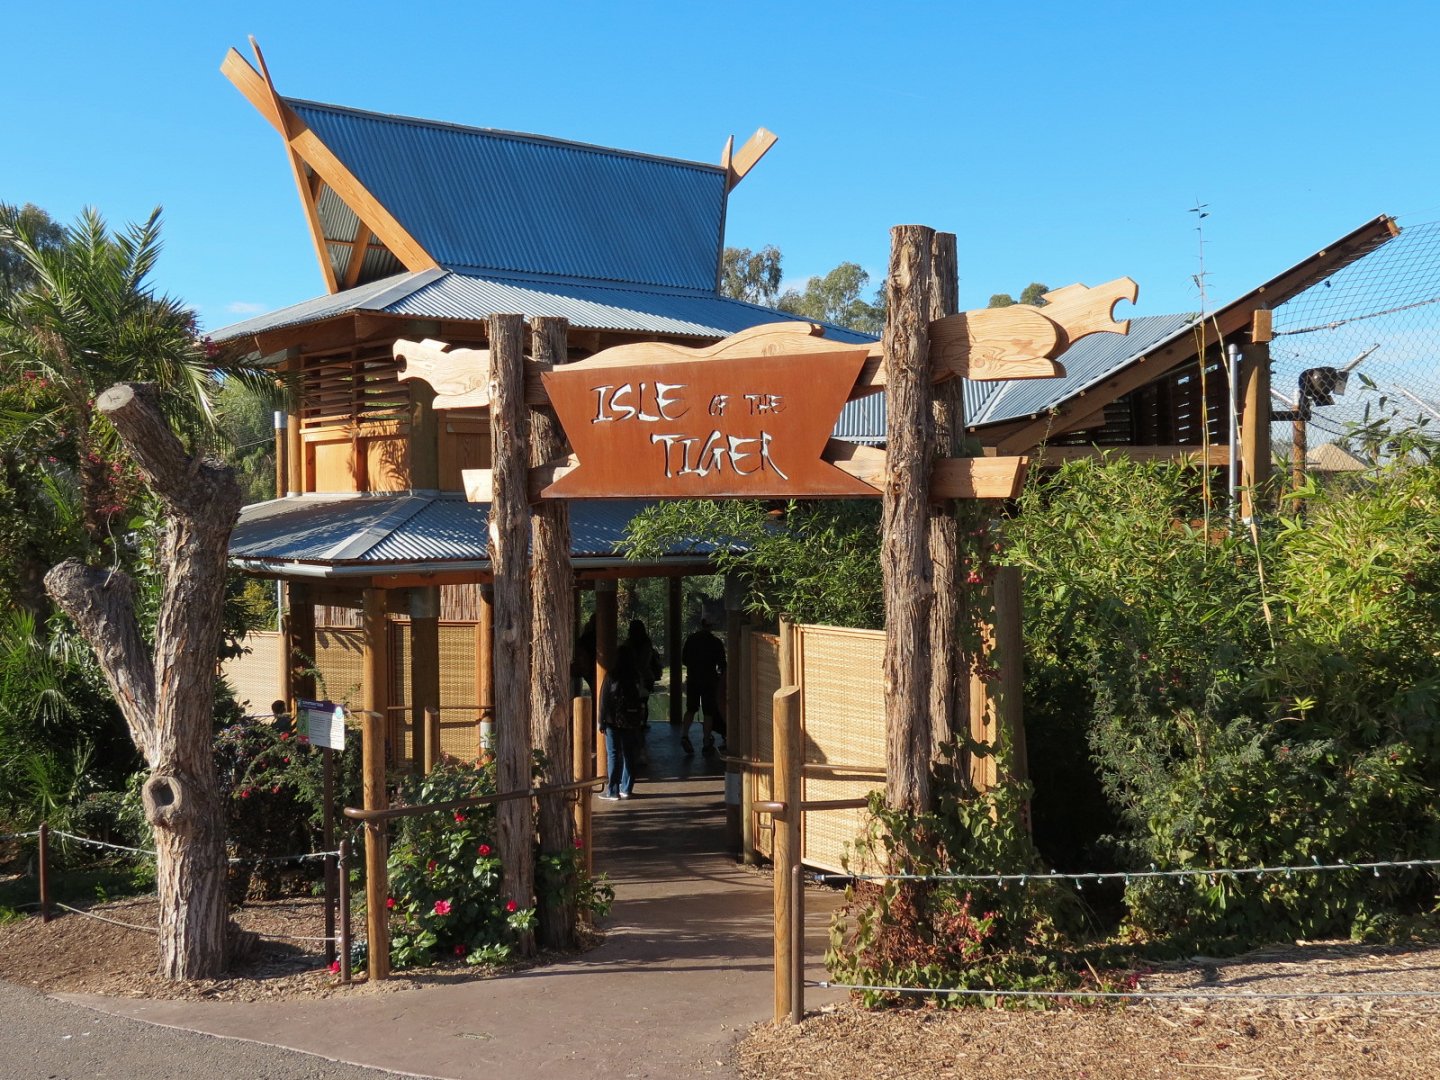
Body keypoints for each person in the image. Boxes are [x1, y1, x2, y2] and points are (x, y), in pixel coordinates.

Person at [597, 649, 649, 801]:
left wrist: (601, 720)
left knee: (613, 754)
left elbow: (604, 700)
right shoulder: (636, 676)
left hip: (613, 719)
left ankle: (613, 791)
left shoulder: (612, 675)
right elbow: (643, 696)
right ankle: (627, 788)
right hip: (631, 720)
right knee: (629, 753)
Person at [680, 618, 727, 756]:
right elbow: (722, 664)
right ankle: (706, 742)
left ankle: (684, 735)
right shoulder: (715, 642)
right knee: (708, 712)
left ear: (701, 624)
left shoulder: (691, 639)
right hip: (709, 680)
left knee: (691, 708)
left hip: (693, 678)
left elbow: (684, 659)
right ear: (712, 626)